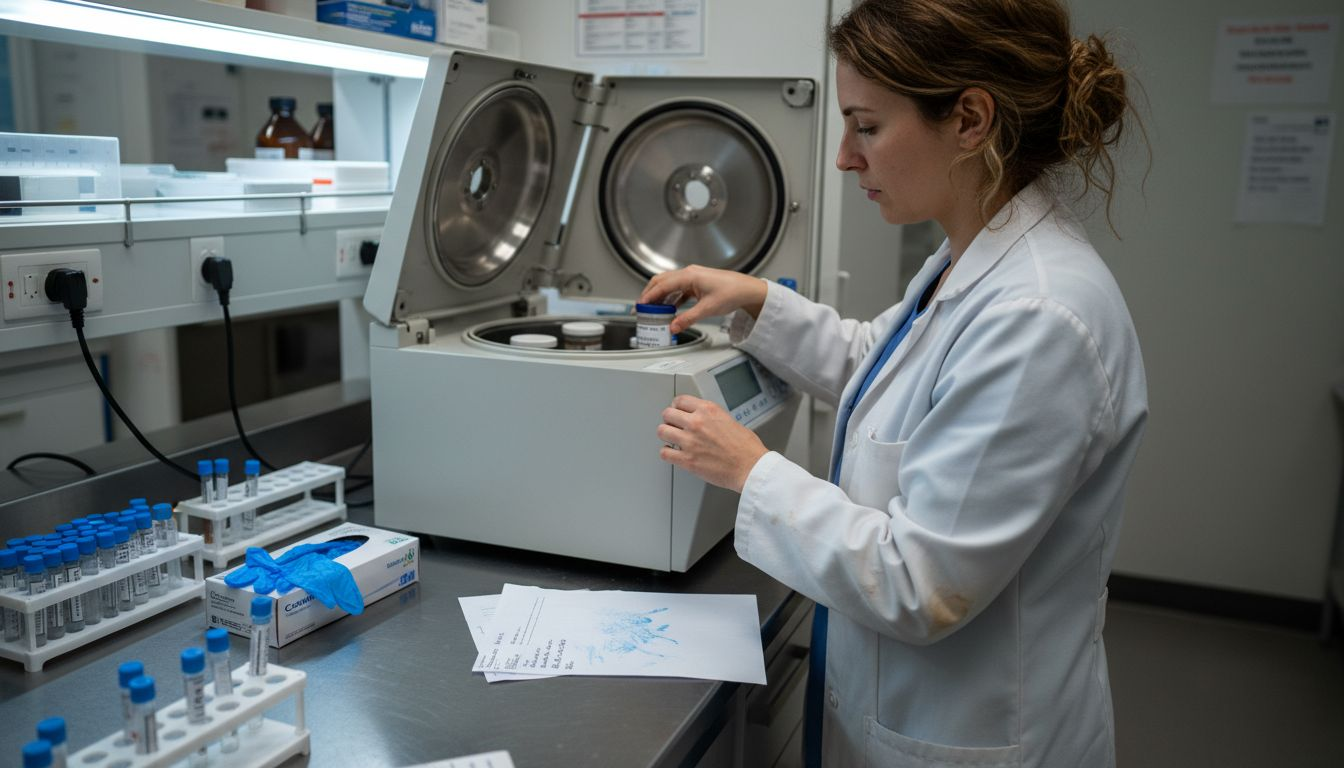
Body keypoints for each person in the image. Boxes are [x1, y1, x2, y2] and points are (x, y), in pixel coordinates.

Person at [641, 1, 1148, 766]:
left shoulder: (1039, 315)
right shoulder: (973, 256)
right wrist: (755, 302)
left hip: (972, 733)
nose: (846, 157)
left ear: (971, 119)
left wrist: (751, 471)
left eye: (866, 126)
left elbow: (922, 582)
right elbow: (882, 366)